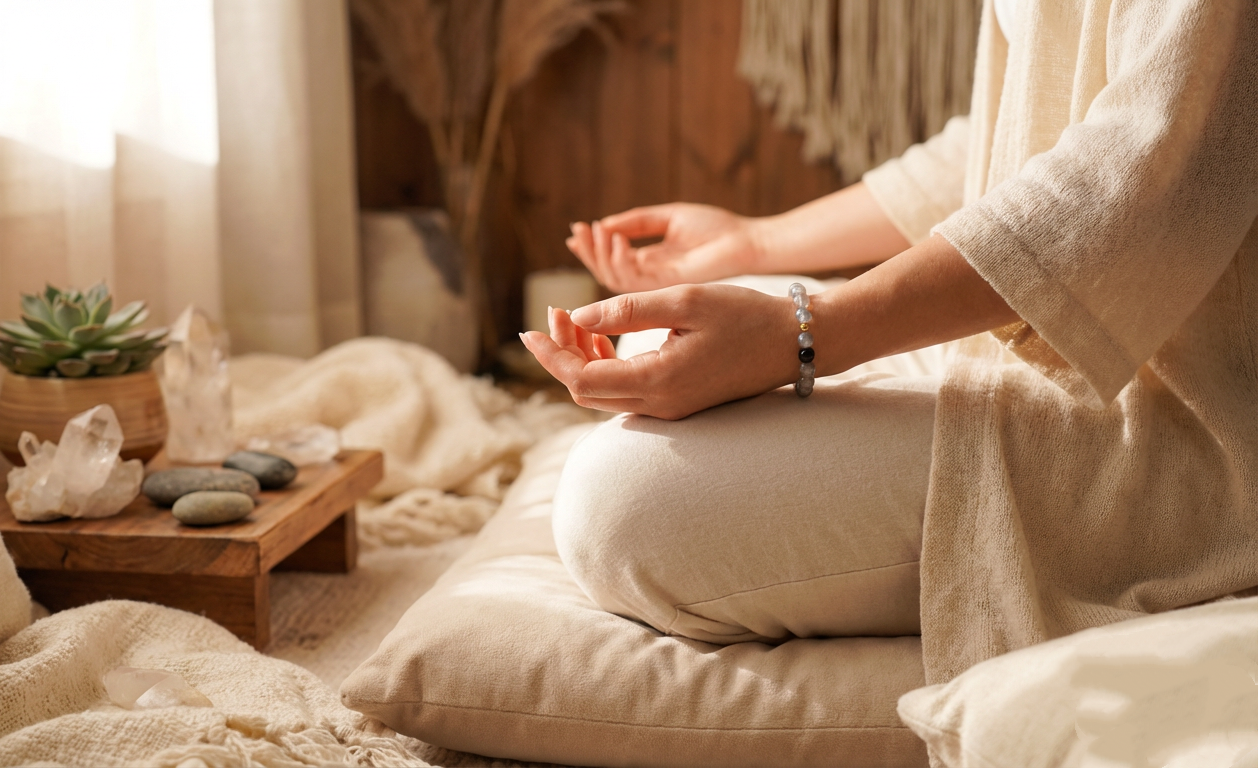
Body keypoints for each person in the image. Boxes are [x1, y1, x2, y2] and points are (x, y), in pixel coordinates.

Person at [521, 0, 1258, 685]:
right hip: (1028, 348)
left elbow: (1136, 175)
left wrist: (806, 333)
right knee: (663, 334)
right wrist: (757, 242)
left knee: (620, 504)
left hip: (1197, 421)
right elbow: (1014, 134)